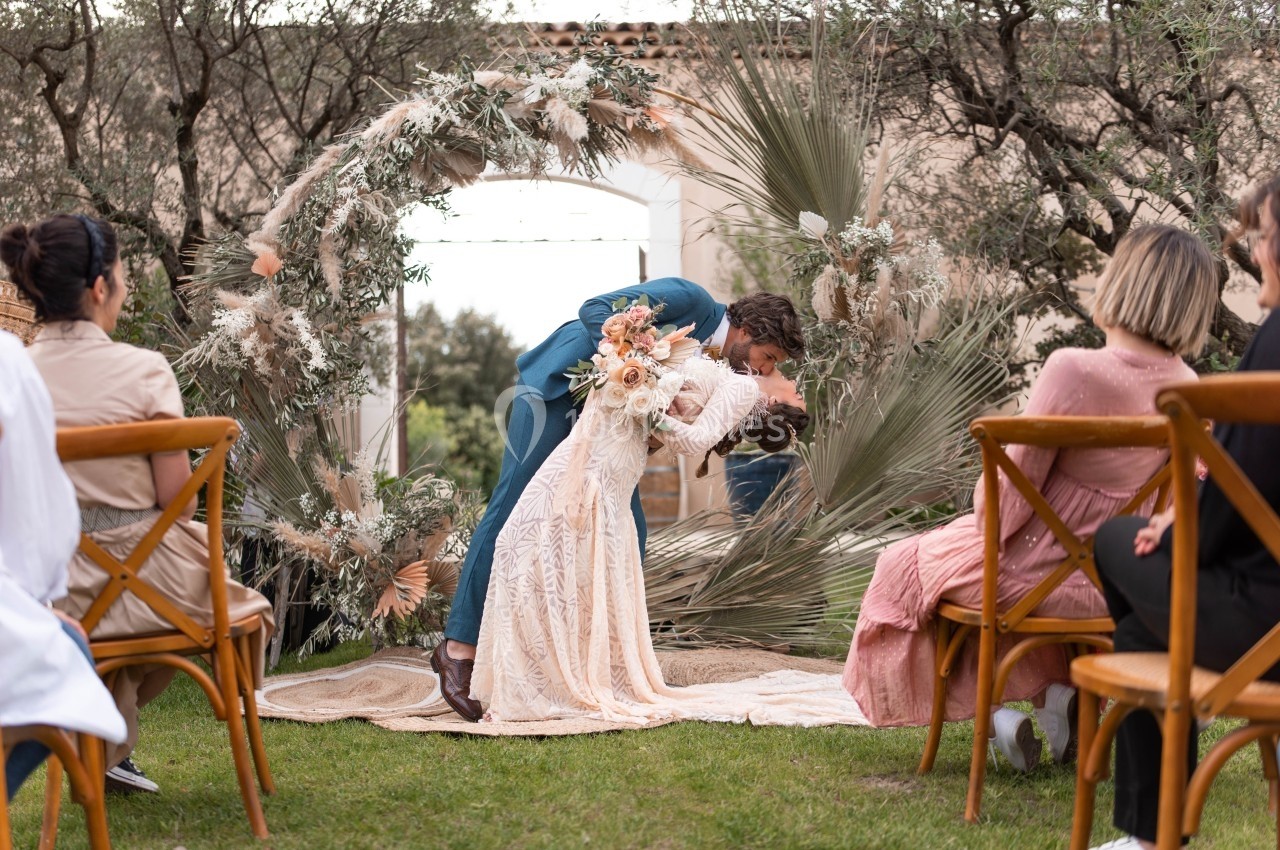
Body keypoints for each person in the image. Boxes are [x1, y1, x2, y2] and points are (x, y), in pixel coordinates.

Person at [842, 224, 1219, 772]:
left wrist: (980, 496)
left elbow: (1004, 513)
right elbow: (1168, 510)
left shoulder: (1074, 369)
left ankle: (997, 713)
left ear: (1122, 282)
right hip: (1112, 587)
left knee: (908, 565)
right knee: (977, 570)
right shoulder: (1189, 385)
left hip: (1033, 578)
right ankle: (1052, 703)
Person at [432, 279, 806, 721]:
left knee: (630, 535)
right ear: (752, 330)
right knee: (514, 508)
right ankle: (458, 648)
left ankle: (585, 666)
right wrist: (634, 375)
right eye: (769, 358)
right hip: (556, 394)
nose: (764, 370)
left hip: (606, 437)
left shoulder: (720, 366)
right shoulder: (693, 300)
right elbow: (595, 310)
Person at [1, 214, 274, 794]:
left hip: (51, 590)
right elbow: (173, 499)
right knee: (242, 603)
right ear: (100, 287)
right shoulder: (144, 371)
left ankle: (105, 736)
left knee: (119, 613)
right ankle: (112, 737)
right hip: (152, 587)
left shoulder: (12, 375)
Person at [470, 329, 864, 725]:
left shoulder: (743, 387)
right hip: (594, 447)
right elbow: (673, 427)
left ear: (774, 402)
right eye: (779, 361)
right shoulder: (732, 373)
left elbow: (691, 442)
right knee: (526, 548)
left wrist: (646, 406)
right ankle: (540, 676)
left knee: (521, 546)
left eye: (793, 389)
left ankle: (547, 681)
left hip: (604, 461)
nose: (789, 377)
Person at [1087, 180, 1280, 850]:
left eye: (1262, 235)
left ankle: (1150, 836)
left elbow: (1231, 509)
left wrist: (1187, 522)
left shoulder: (1277, 341)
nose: (1255, 251)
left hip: (1261, 624)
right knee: (1153, 612)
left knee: (1118, 541)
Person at [0, 329, 126, 800]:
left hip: (86, 575)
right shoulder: (9, 364)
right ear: (99, 285)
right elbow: (42, 528)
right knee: (69, 643)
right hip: (130, 580)